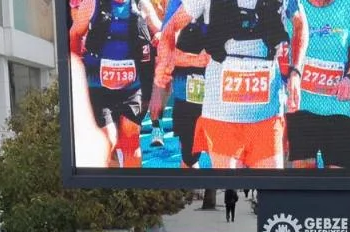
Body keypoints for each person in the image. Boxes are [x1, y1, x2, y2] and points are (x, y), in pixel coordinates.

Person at [152, 0, 290, 169]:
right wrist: (168, 61)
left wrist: (294, 73)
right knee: (197, 162)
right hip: (218, 112)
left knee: (268, 179)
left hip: (264, 113)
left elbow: (298, 26)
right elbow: (169, 30)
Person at [69, 0, 162, 167]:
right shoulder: (92, 4)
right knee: (108, 140)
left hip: (132, 87)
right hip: (99, 87)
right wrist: (76, 71)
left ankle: (132, 182)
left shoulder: (141, 4)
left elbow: (161, 30)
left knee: (131, 137)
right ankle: (112, 178)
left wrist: (161, 36)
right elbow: (74, 34)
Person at [285, 0, 350, 169]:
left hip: (338, 108)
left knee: (335, 180)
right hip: (302, 106)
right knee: (303, 177)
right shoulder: (294, 6)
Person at [154, 0, 211, 168]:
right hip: (187, 87)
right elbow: (165, 46)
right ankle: (156, 124)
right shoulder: (179, 4)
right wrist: (196, 60)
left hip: (226, 91)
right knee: (189, 156)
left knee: (227, 154)